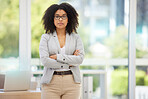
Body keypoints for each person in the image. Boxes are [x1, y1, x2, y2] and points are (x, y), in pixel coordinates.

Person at [39, 2, 85, 99]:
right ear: (52, 19)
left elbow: (80, 59)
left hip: (72, 83)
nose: (60, 19)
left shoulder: (76, 38)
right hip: (50, 83)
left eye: (64, 16)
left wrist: (58, 57)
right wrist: (70, 62)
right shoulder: (45, 37)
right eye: (57, 16)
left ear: (69, 19)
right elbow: (45, 61)